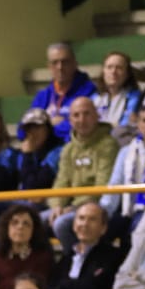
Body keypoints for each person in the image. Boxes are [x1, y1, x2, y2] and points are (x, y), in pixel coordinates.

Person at [46, 97, 120, 241]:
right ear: (70, 120)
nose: (82, 119)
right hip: (71, 207)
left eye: (87, 114)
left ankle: (76, 261)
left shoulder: (108, 145)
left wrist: (76, 208)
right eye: (76, 115)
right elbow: (61, 182)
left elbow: (102, 185)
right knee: (35, 221)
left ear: (96, 116)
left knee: (61, 224)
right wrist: (57, 206)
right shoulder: (68, 149)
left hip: (96, 208)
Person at [48, 199, 127, 289]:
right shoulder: (68, 256)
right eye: (81, 218)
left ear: (103, 228)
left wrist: (65, 286)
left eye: (92, 219)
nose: (85, 224)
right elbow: (52, 287)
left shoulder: (113, 256)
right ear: (74, 225)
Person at [0, 202, 54, 289]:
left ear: (33, 230)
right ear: (6, 228)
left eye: (26, 224)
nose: (20, 227)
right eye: (15, 223)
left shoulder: (43, 258)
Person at [29, 43, 98, 140]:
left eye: (65, 62)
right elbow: (23, 128)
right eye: (55, 63)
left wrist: (46, 128)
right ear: (49, 66)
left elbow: (85, 125)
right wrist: (55, 123)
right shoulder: (43, 96)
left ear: (75, 64)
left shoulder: (89, 92)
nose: (60, 67)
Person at [87, 51, 142, 137]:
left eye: (119, 68)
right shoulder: (94, 98)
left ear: (127, 73)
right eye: (109, 67)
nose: (113, 72)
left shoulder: (135, 97)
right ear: (103, 71)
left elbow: (124, 127)